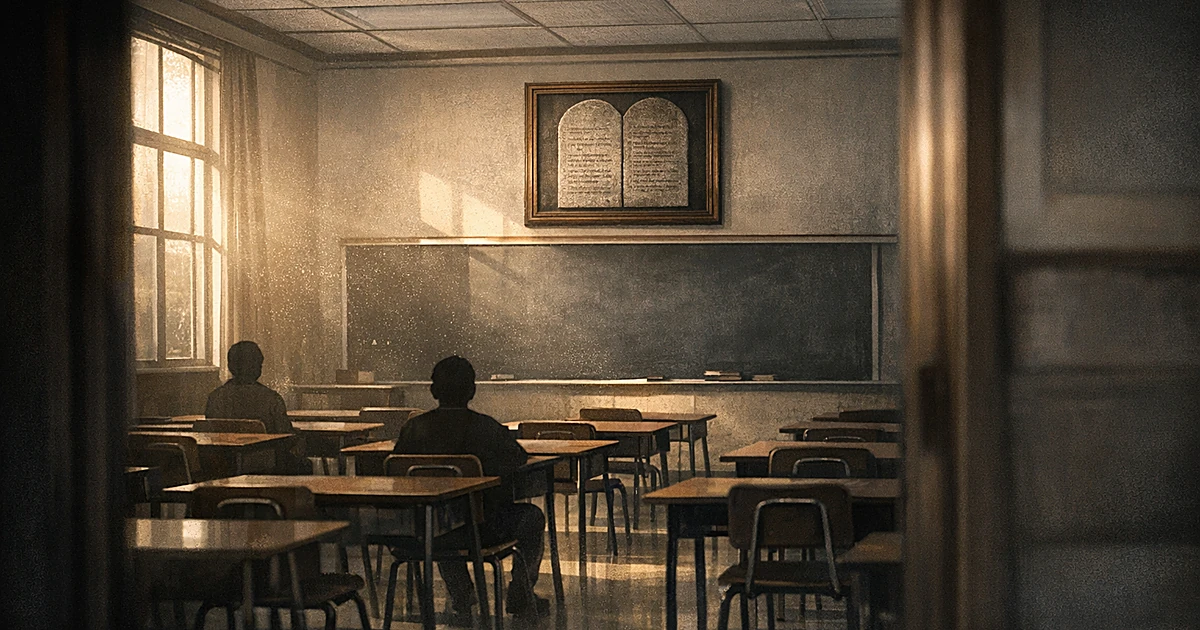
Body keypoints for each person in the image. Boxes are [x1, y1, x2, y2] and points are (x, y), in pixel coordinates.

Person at [392, 356, 548, 624]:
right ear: (472, 391)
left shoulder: (413, 429)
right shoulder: (486, 427)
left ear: (433, 390)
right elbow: (518, 460)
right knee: (532, 516)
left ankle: (462, 595)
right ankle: (521, 592)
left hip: (424, 532)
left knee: (443, 514)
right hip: (482, 530)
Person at [205, 340, 306, 473]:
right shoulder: (271, 399)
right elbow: (285, 436)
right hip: (267, 467)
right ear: (258, 367)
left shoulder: (215, 398)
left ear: (230, 366)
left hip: (223, 466)